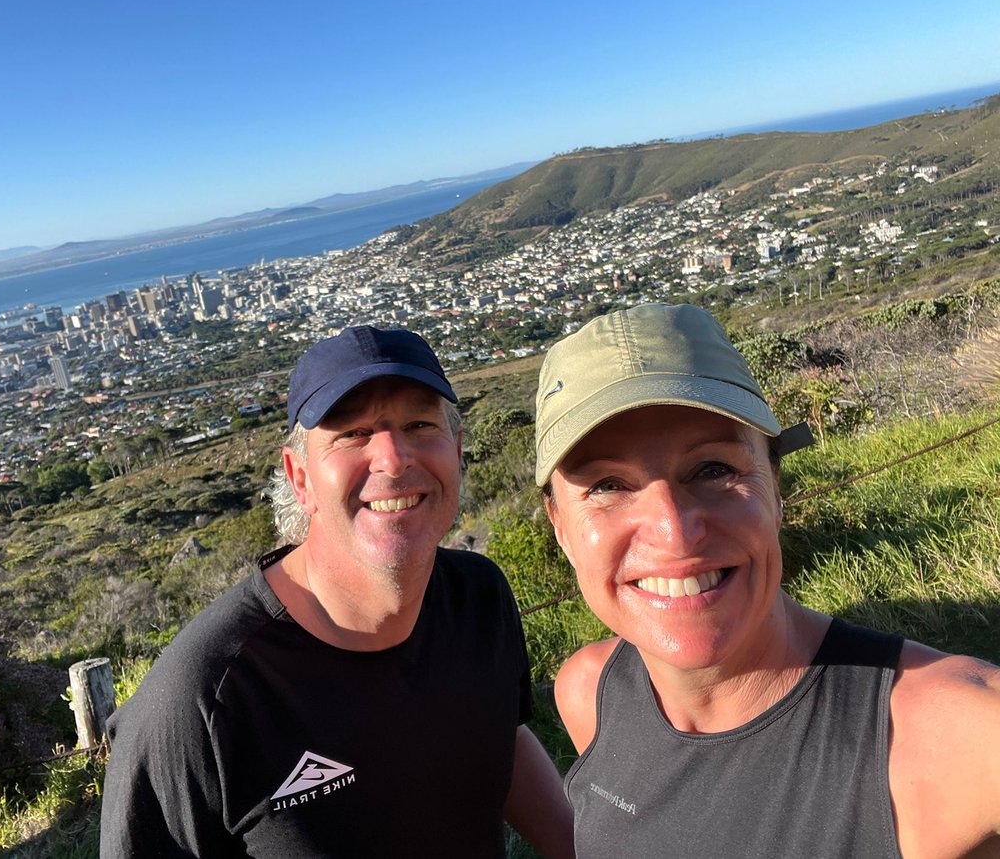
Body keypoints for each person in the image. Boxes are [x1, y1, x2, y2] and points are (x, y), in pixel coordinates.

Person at [535, 302, 1000, 858]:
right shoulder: (590, 692)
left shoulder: (956, 734)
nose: (675, 534)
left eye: (714, 469)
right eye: (608, 485)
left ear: (776, 490)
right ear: (560, 526)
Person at [101, 325, 574, 858]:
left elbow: (497, 734)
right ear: (299, 477)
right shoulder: (204, 697)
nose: (393, 459)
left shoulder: (478, 597)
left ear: (457, 449)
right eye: (352, 433)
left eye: (420, 424)